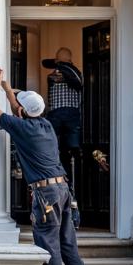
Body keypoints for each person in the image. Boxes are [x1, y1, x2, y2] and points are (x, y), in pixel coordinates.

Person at [0, 69, 91, 265]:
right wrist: (7, 86)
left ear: (22, 111)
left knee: (48, 244)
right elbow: (16, 107)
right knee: (68, 244)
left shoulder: (23, 129)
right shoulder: (45, 125)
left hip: (46, 195)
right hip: (63, 188)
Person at [43, 47, 84, 183]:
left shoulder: (57, 76)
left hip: (59, 113)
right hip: (68, 114)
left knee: (57, 147)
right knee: (68, 148)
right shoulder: (75, 75)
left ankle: (64, 177)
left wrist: (60, 66)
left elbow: (77, 84)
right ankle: (69, 178)